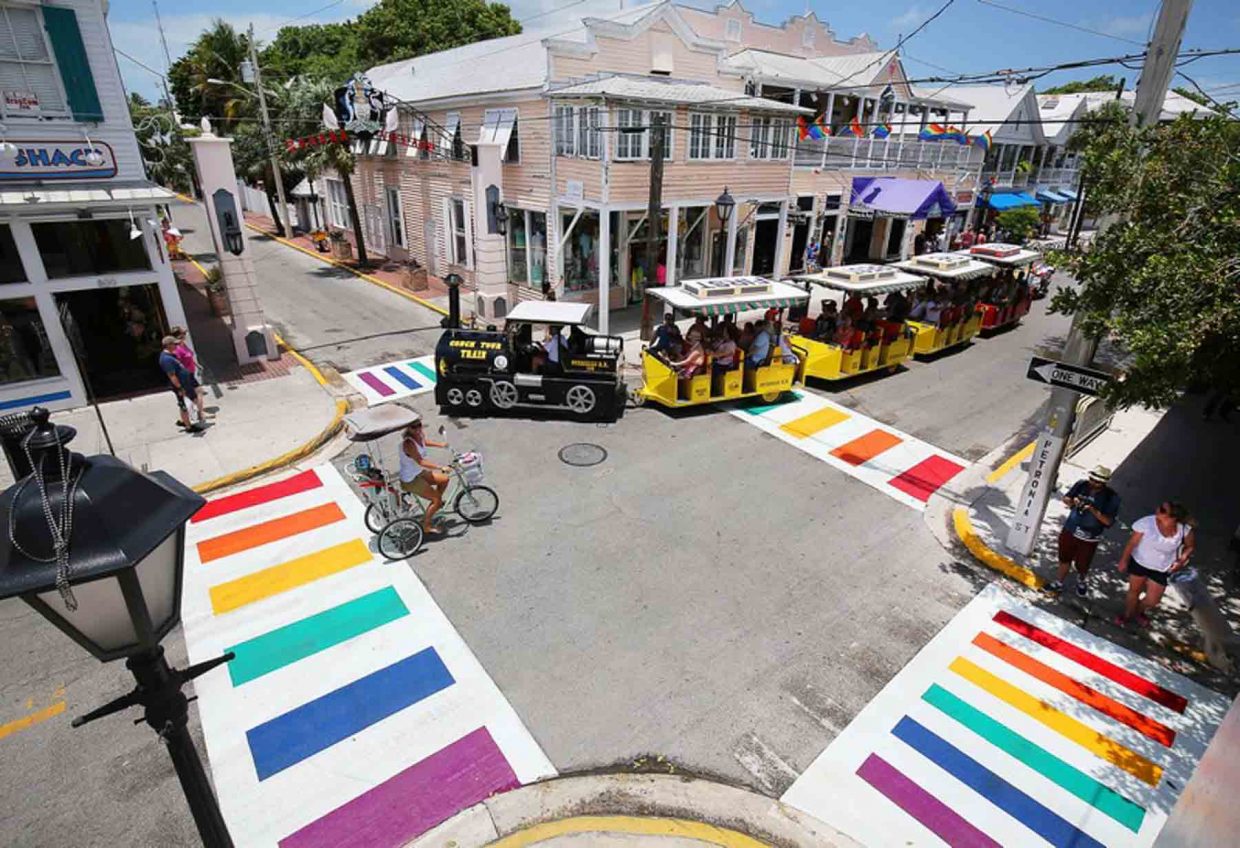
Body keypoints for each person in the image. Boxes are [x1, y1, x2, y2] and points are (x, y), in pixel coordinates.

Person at [1116, 501, 1196, 627]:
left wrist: (1181, 560)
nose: (1158, 510)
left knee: (1153, 600)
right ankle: (1127, 614)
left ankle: (1137, 611)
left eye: (1163, 510)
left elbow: (1190, 546)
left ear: (1173, 518)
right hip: (1140, 562)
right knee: (1134, 591)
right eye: (1160, 507)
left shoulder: (1184, 530)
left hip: (1162, 568)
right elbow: (1132, 543)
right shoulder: (1146, 523)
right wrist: (1124, 560)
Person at [1047, 466, 1121, 597]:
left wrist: (1093, 510)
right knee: (1064, 558)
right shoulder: (1081, 485)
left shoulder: (1111, 497)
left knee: (1082, 564)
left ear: (1104, 482)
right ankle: (1059, 582)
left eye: (1097, 482)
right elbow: (1066, 498)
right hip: (1070, 529)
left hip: (1089, 537)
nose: (1093, 483)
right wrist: (1072, 501)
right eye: (1091, 479)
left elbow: (1108, 521)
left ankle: (1081, 580)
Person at [399, 416, 451, 537]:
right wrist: (441, 467)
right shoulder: (408, 444)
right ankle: (426, 526)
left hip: (418, 473)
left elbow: (424, 442)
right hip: (410, 479)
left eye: (419, 425)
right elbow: (421, 461)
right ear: (408, 428)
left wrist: (441, 445)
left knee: (445, 479)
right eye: (413, 427)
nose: (417, 429)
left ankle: (435, 505)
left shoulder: (419, 435)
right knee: (437, 500)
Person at [159, 336, 202, 432]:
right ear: (168, 345)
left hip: (184, 382)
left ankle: (185, 421)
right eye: (175, 344)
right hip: (180, 385)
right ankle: (188, 426)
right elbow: (172, 375)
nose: (177, 346)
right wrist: (180, 388)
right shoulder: (166, 359)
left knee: (185, 404)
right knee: (185, 405)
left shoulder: (170, 355)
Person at [170, 327, 208, 423]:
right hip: (186, 375)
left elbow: (189, 356)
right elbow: (177, 363)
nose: (185, 336)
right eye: (183, 334)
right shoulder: (177, 349)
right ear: (179, 336)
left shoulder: (183, 345)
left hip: (191, 373)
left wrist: (197, 365)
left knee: (194, 394)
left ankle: (195, 413)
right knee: (198, 392)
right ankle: (199, 413)